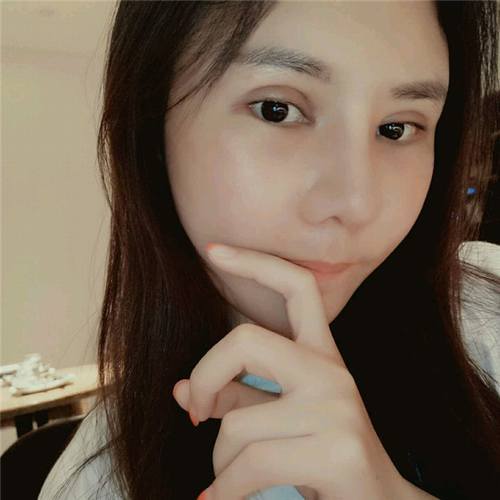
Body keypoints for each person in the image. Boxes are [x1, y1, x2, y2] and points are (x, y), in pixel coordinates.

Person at [39, 1, 500, 499]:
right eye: (276, 110)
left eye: (397, 128)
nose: (356, 203)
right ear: (150, 125)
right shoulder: (97, 485)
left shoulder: (487, 312)